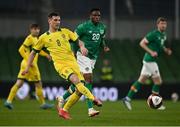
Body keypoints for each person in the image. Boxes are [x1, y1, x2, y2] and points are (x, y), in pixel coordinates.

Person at [22, 12, 102, 119]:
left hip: (73, 63)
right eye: (55, 20)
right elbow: (33, 53)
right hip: (61, 65)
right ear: (49, 21)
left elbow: (79, 41)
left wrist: (82, 47)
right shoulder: (43, 38)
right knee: (77, 82)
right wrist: (27, 67)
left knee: (79, 90)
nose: (58, 22)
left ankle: (64, 110)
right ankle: (93, 99)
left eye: (59, 20)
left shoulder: (66, 32)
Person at [57, 8, 109, 117]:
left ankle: (62, 97)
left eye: (99, 16)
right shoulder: (83, 27)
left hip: (93, 58)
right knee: (88, 78)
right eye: (95, 15)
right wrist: (73, 51)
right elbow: (73, 38)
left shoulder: (102, 27)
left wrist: (104, 46)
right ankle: (90, 109)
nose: (97, 17)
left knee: (81, 84)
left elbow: (101, 38)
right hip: (82, 56)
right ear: (90, 16)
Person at [122, 17, 172, 110]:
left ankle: (127, 98)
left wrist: (166, 50)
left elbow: (161, 45)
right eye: (161, 24)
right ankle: (155, 103)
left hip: (149, 60)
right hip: (150, 60)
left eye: (165, 24)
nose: (163, 25)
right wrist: (151, 52)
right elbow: (142, 43)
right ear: (157, 25)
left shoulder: (163, 35)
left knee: (141, 81)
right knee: (158, 81)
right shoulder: (153, 34)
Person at [4, 24, 53, 110]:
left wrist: (46, 55)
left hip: (25, 64)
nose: (37, 31)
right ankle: (43, 104)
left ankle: (8, 101)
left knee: (19, 83)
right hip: (31, 65)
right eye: (35, 29)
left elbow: (37, 50)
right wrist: (29, 61)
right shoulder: (30, 38)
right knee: (38, 84)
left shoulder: (36, 39)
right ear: (31, 30)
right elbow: (21, 49)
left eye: (38, 29)